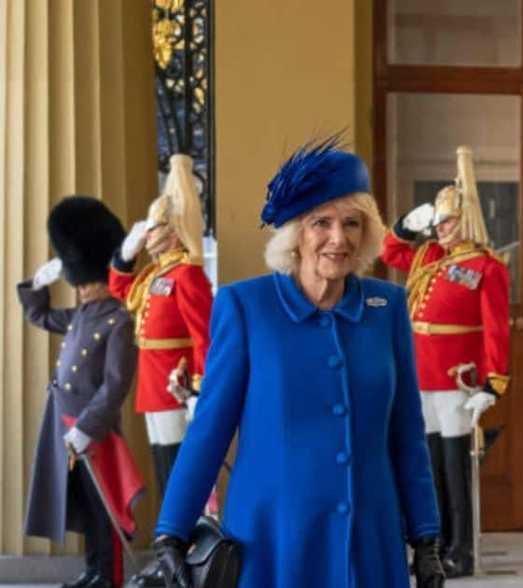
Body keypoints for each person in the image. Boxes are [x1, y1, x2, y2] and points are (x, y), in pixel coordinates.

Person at [151, 138, 445, 588]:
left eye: (352, 223)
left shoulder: (387, 306)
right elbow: (209, 430)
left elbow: (406, 432)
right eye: (320, 223)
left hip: (370, 541)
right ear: (294, 233)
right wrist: (171, 532)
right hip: (273, 544)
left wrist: (425, 538)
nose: (338, 238)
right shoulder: (246, 307)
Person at [380, 145, 511, 577]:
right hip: (422, 375)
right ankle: (434, 544)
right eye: (437, 223)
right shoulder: (430, 258)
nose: (441, 229)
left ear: (467, 219)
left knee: (457, 469)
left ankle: (462, 549)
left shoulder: (487, 267)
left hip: (458, 378)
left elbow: (496, 327)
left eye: (448, 221)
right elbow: (389, 252)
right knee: (430, 464)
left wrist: (494, 382)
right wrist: (404, 225)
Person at [19, 196, 143, 588]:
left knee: (103, 507)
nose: (83, 289)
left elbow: (117, 382)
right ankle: (93, 570)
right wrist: (37, 283)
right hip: (64, 423)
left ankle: (109, 576)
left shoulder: (119, 318)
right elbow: (39, 315)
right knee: (86, 507)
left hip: (94, 429)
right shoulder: (81, 316)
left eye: (86, 281)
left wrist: (88, 426)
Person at [108, 154, 213, 494]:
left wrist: (199, 387)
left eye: (153, 228)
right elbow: (123, 291)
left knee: (177, 466)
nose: (148, 234)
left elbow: (203, 333)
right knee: (162, 460)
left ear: (172, 232)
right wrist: (126, 254)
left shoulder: (187, 274)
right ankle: (170, 537)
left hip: (174, 381)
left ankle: (181, 537)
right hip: (153, 381)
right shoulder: (156, 273)